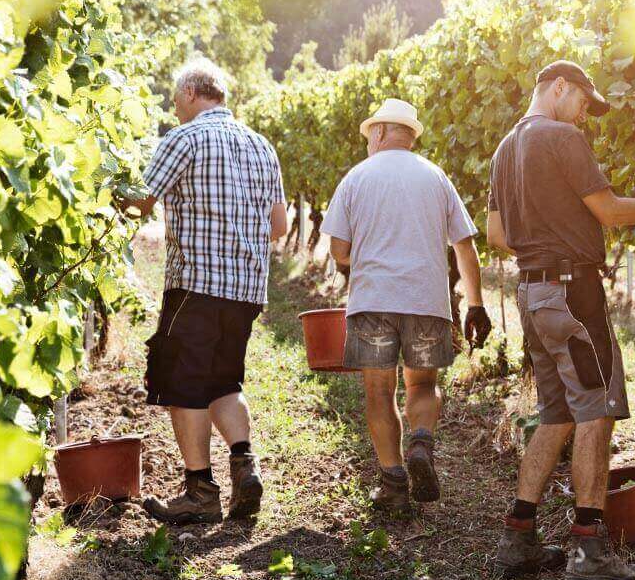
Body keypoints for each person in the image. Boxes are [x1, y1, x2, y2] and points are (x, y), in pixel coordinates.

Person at [486, 61, 635, 580]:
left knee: (557, 414)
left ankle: (518, 537)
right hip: (573, 293)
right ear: (559, 88)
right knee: (596, 413)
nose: (586, 114)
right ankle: (589, 551)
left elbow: (498, 234)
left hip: (532, 293)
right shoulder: (562, 136)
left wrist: (545, 231)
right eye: (585, 102)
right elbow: (610, 212)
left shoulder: (505, 149)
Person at [120, 59, 288, 525]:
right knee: (224, 381)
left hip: (196, 284)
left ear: (192, 94)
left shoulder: (184, 138)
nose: (175, 110)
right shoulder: (261, 146)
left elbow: (140, 201)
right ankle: (244, 464)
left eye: (176, 101)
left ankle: (200, 491)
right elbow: (279, 227)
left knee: (183, 386)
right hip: (247, 290)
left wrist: (107, 186)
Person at [322, 98, 493, 516]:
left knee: (380, 392)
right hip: (426, 301)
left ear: (379, 132)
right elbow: (465, 247)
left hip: (373, 302)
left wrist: (369, 247)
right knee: (421, 385)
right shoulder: (436, 177)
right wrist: (475, 305)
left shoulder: (357, 177)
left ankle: (393, 483)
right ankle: (420, 441)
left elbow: (339, 252)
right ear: (410, 134)